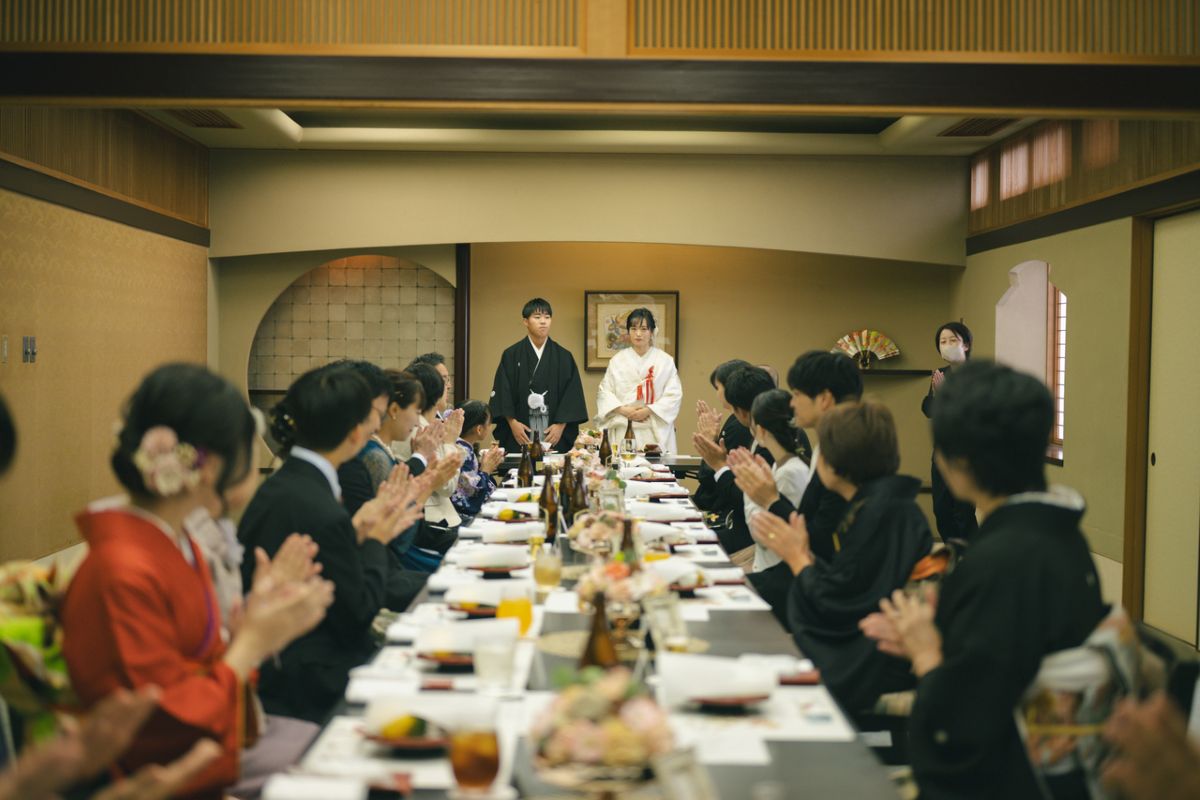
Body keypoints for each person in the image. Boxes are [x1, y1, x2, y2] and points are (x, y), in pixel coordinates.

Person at [60, 364, 336, 799]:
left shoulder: (177, 540)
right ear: (212, 466)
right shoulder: (121, 569)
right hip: (156, 778)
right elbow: (164, 721)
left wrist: (254, 620)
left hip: (205, 754)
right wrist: (252, 643)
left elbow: (201, 664)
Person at [863, 361, 1106, 799]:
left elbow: (963, 727)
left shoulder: (1002, 562)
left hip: (1011, 778)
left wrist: (925, 652)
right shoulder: (1056, 534)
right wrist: (944, 632)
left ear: (960, 461)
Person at [237, 363, 426, 723]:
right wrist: (373, 540)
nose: (376, 426)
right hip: (310, 681)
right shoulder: (318, 503)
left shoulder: (286, 484)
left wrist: (356, 533)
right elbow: (358, 613)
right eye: (373, 417)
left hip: (290, 662)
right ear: (355, 433)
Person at [751, 401, 932, 719]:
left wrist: (798, 560)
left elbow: (840, 604)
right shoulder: (876, 505)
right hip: (868, 644)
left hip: (872, 658)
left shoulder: (881, 513)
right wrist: (805, 557)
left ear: (833, 463)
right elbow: (849, 583)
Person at [733, 351, 862, 620]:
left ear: (824, 399)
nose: (791, 403)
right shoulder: (823, 447)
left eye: (797, 394)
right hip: (800, 569)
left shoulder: (843, 452)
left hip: (821, 582)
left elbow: (820, 537)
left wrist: (769, 500)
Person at [335, 361, 430, 611]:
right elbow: (398, 542)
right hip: (384, 572)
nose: (376, 422)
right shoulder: (371, 456)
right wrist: (424, 488)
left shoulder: (376, 452)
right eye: (416, 410)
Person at [690, 366, 776, 562]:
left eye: (718, 387)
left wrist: (719, 464)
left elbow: (738, 496)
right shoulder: (758, 429)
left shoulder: (751, 431)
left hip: (750, 535)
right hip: (746, 524)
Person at [489, 298, 589, 453]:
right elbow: (503, 391)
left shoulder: (563, 356)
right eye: (537, 317)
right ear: (525, 321)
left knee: (554, 473)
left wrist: (561, 426)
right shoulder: (511, 355)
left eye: (547, 317)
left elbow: (572, 395)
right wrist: (512, 423)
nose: (543, 322)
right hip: (521, 431)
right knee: (520, 474)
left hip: (553, 433)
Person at [595, 307, 683, 453]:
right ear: (628, 331)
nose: (638, 334)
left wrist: (648, 410)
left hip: (653, 427)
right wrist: (623, 410)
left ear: (652, 332)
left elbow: (673, 395)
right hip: (624, 426)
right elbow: (605, 392)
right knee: (624, 471)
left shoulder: (665, 361)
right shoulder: (617, 361)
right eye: (633, 328)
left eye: (643, 329)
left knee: (655, 474)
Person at [923, 321, 979, 542]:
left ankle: (972, 558)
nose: (946, 345)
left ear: (965, 345)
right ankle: (953, 554)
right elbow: (928, 409)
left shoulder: (977, 374)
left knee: (963, 511)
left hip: (968, 453)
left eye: (952, 340)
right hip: (942, 451)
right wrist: (938, 396)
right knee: (941, 509)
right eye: (942, 341)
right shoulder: (940, 374)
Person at [744, 389, 811, 573]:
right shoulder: (781, 465)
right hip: (769, 565)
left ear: (760, 430)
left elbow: (762, 536)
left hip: (781, 571)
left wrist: (748, 489)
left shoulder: (790, 473)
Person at [692, 359, 754, 514]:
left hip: (722, 509)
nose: (717, 393)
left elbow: (710, 478)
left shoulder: (741, 424)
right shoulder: (737, 419)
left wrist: (709, 440)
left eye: (718, 387)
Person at [451, 400, 506, 521]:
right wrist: (486, 470)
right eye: (489, 423)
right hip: (464, 518)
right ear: (479, 429)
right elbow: (471, 494)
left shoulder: (461, 446)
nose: (490, 427)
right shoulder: (462, 451)